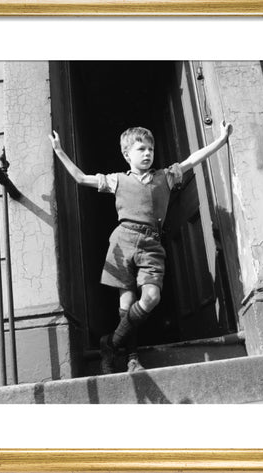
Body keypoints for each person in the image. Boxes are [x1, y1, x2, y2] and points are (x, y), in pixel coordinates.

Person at [48, 120, 232, 374]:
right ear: (127, 154)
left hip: (151, 244)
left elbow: (193, 159)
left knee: (152, 297)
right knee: (126, 304)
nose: (147, 153)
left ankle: (110, 343)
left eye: (150, 149)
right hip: (122, 242)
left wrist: (220, 140)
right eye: (141, 149)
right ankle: (132, 359)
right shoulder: (117, 180)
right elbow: (81, 178)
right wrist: (58, 150)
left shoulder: (166, 176)